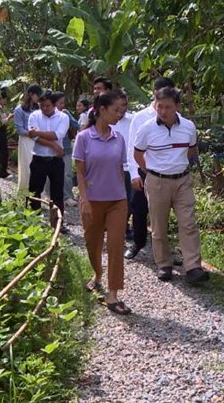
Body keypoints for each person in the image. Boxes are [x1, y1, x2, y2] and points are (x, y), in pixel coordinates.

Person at [133, 86, 209, 285]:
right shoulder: (146, 129)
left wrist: (180, 165)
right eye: (160, 107)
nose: (163, 111)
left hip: (182, 180)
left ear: (177, 106)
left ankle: (193, 267)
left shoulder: (188, 127)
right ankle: (164, 264)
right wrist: (149, 171)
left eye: (168, 107)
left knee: (188, 223)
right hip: (157, 181)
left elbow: (191, 150)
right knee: (159, 225)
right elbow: (137, 154)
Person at [73, 91, 131, 315]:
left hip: (117, 200)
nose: (120, 114)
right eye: (116, 110)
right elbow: (80, 173)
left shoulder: (119, 138)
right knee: (92, 243)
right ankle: (97, 275)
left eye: (122, 109)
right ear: (102, 110)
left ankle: (113, 294)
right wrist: (85, 201)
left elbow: (119, 169)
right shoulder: (84, 138)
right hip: (92, 201)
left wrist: (125, 197)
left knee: (116, 245)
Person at [125, 77, 177, 259]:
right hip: (143, 169)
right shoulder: (139, 118)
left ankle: (165, 251)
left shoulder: (177, 117)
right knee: (139, 208)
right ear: (154, 93)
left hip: (167, 172)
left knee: (164, 213)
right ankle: (138, 243)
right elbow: (132, 147)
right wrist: (134, 174)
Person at [27, 91, 69, 214]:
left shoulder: (63, 117)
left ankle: (57, 223)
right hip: (38, 158)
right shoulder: (34, 115)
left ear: (54, 105)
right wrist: (52, 145)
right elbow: (33, 137)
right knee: (35, 191)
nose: (44, 108)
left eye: (47, 106)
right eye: (42, 105)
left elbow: (57, 135)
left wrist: (38, 133)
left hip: (55, 160)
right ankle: (34, 221)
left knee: (57, 193)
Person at [111, 90, 135, 240]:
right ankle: (118, 227)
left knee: (131, 199)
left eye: (124, 105)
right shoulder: (106, 121)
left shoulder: (133, 120)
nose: (121, 109)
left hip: (131, 167)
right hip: (112, 168)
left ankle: (125, 225)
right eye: (118, 106)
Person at [14, 84, 43, 195]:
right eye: (37, 95)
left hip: (38, 140)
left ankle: (37, 192)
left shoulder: (39, 109)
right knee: (27, 166)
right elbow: (20, 130)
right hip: (26, 141)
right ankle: (24, 193)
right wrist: (33, 133)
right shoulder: (19, 110)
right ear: (31, 94)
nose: (39, 98)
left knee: (39, 167)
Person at [58, 96, 81, 206]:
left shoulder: (65, 113)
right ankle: (47, 195)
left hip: (65, 148)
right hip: (50, 148)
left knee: (67, 173)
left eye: (63, 103)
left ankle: (68, 197)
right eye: (60, 103)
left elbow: (76, 125)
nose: (62, 106)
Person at [0, 88, 13, 178]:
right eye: (5, 99)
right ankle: (2, 171)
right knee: (2, 151)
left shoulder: (0, 108)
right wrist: (9, 117)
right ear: (1, 99)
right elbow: (0, 122)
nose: (6, 101)